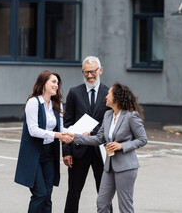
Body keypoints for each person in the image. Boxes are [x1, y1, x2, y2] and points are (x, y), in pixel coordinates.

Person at [64, 82, 148, 213]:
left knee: (125, 206)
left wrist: (122, 146)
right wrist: (74, 136)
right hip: (109, 166)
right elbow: (98, 139)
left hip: (126, 167)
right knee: (102, 203)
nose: (106, 96)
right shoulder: (108, 115)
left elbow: (142, 139)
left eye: (109, 94)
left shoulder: (131, 116)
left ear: (116, 97)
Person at [14, 70, 73, 213]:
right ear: (43, 83)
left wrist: (77, 132)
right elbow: (33, 130)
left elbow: (61, 127)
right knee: (40, 194)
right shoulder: (33, 102)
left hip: (49, 155)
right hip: (33, 154)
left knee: (47, 195)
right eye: (53, 82)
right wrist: (58, 135)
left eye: (57, 83)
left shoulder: (57, 105)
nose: (56, 85)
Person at [62, 56, 111, 213]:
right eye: (86, 73)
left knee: (104, 193)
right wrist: (66, 151)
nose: (89, 76)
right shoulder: (74, 93)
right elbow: (67, 124)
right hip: (78, 151)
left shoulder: (109, 94)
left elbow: (113, 124)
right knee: (73, 192)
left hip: (101, 152)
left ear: (100, 70)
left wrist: (95, 133)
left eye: (92, 72)